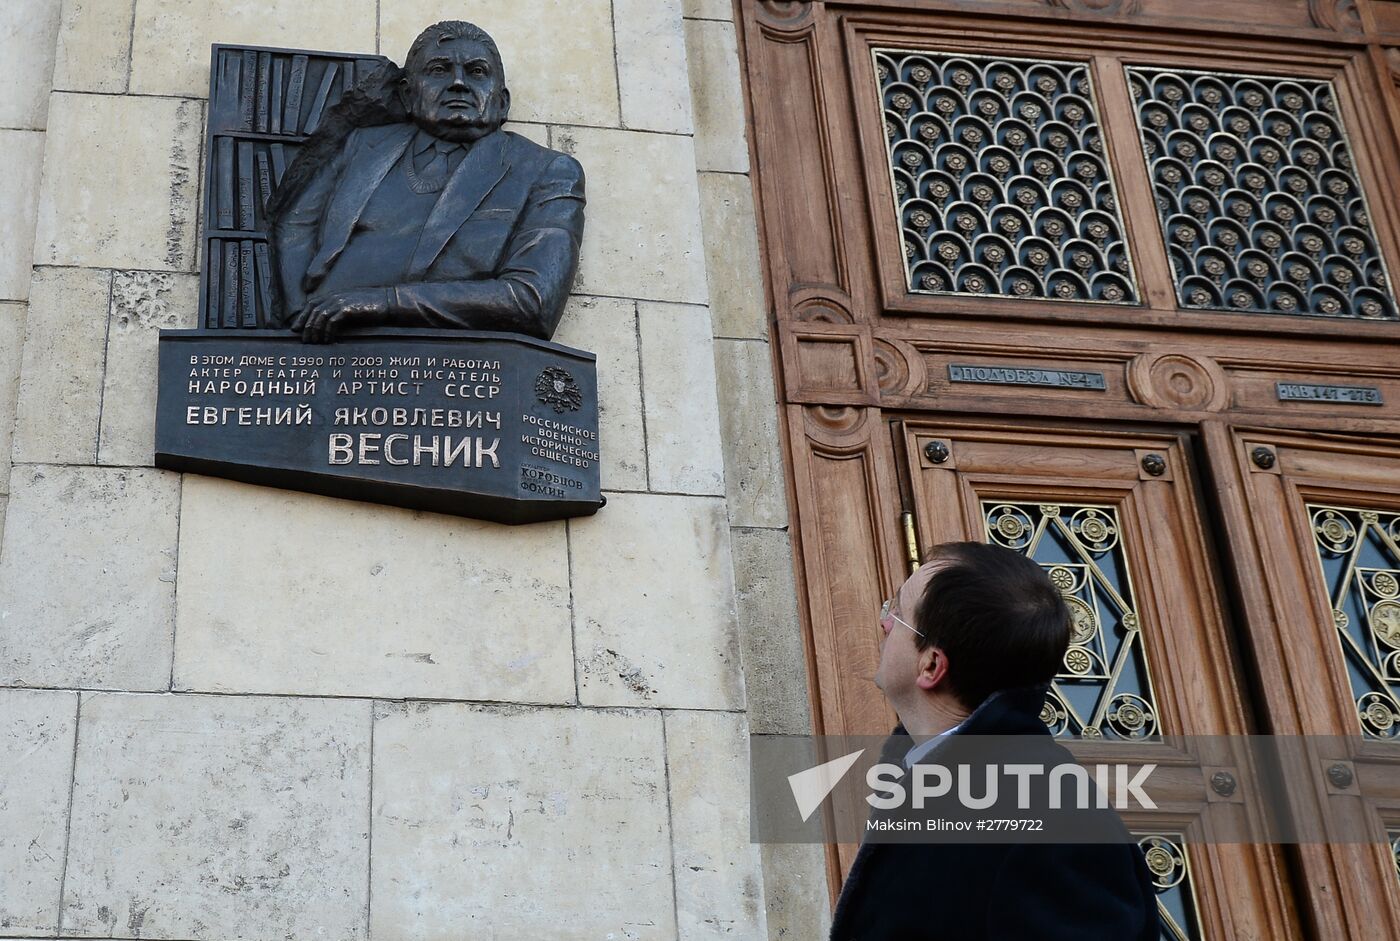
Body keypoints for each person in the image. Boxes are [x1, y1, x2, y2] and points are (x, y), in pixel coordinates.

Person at [829, 541, 1159, 940]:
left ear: (931, 664)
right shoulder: (940, 779)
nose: (884, 623)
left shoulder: (1054, 816)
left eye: (896, 613)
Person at [270, 20, 585, 343]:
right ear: (407, 95)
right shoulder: (362, 146)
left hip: (448, 362)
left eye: (477, 72)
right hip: (324, 345)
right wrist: (300, 314)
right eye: (439, 70)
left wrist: (384, 303)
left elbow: (533, 300)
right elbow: (296, 225)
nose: (459, 83)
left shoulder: (546, 171)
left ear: (502, 102)